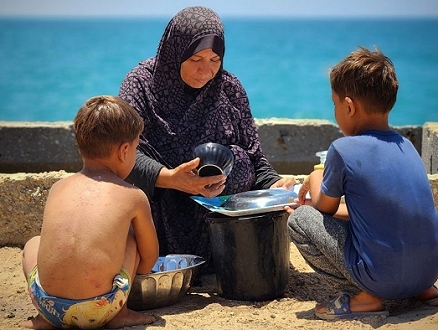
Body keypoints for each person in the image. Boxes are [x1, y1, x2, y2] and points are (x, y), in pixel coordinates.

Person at [119, 6, 294, 264]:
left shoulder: (229, 89)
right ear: (175, 52)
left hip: (217, 219)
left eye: (215, 60)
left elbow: (255, 158)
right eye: (196, 60)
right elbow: (124, 152)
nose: (206, 71)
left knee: (239, 159)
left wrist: (274, 185)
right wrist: (171, 178)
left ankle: (221, 257)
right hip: (160, 210)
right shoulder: (141, 85)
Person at [285, 47, 438, 320]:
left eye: (334, 104)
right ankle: (422, 291)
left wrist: (315, 176)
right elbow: (380, 214)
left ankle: (366, 298)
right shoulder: (407, 146)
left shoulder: (343, 149)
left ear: (349, 106)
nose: (335, 111)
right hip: (428, 273)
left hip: (383, 279)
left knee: (300, 221)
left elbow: (325, 207)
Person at [20, 96, 159, 329]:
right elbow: (148, 260)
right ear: (124, 151)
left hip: (48, 306)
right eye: (136, 148)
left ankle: (43, 320)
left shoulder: (58, 188)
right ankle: (120, 314)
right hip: (102, 307)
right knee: (131, 241)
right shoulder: (133, 196)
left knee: (33, 243)